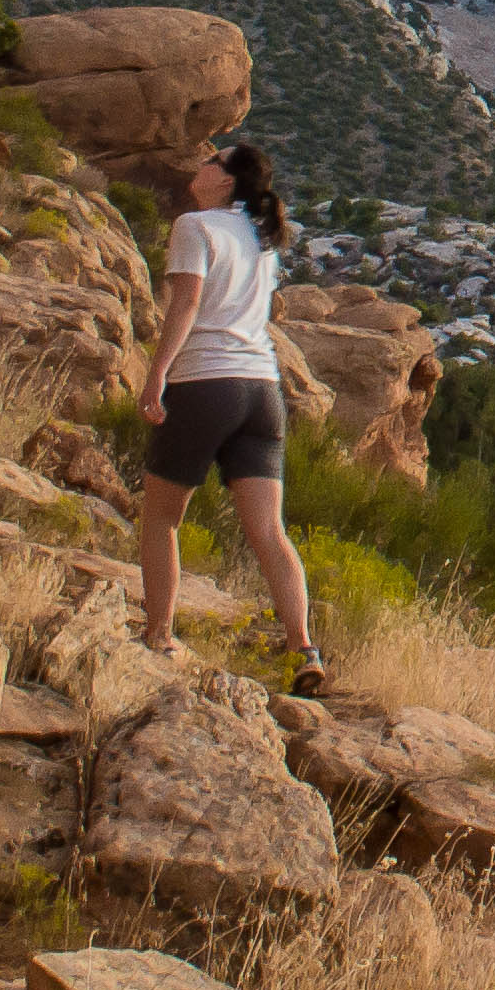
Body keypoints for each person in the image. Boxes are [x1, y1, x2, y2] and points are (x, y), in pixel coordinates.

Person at [132, 134, 323, 689]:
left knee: (163, 517)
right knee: (268, 529)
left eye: (212, 161)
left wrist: (156, 374)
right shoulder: (263, 238)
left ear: (228, 180)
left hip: (205, 381)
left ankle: (160, 633)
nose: (200, 162)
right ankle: (304, 648)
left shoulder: (195, 227)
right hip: (262, 391)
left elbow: (186, 304)